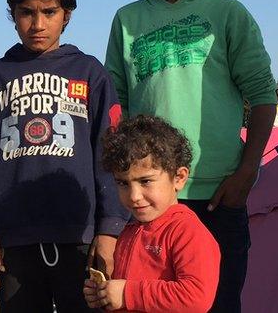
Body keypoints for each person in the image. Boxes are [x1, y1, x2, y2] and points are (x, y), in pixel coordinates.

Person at [105, 0, 277, 312]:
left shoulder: (228, 13)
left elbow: (262, 95)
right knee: (147, 301)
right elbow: (116, 105)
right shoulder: (128, 19)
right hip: (149, 194)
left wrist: (247, 170)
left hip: (218, 192)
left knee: (215, 303)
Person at [0, 0, 126, 313]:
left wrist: (110, 229)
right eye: (26, 12)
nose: (37, 24)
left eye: (49, 12)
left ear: (67, 13)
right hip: (12, 242)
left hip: (80, 238)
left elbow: (110, 155)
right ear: (12, 13)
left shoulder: (89, 72)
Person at [84, 114, 219, 313]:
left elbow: (196, 297)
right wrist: (105, 294)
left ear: (179, 178)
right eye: (123, 183)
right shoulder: (129, 232)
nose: (134, 196)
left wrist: (126, 293)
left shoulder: (187, 232)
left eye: (145, 181)